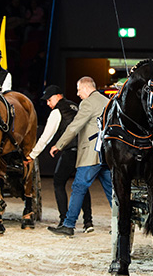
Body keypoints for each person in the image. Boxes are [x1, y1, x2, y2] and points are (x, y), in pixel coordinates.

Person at [48, 77, 113, 236]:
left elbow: (74, 127)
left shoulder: (88, 103)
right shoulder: (107, 102)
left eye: (78, 90)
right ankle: (124, 220)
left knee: (78, 187)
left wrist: (59, 144)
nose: (77, 94)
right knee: (112, 190)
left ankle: (69, 225)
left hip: (91, 152)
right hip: (106, 152)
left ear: (85, 88)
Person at [29, 85, 93, 232]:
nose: (47, 103)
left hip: (70, 150)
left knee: (58, 182)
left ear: (58, 96)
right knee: (81, 184)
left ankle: (64, 220)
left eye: (49, 100)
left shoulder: (57, 111)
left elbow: (46, 136)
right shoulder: (76, 106)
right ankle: (88, 222)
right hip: (84, 150)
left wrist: (33, 155)